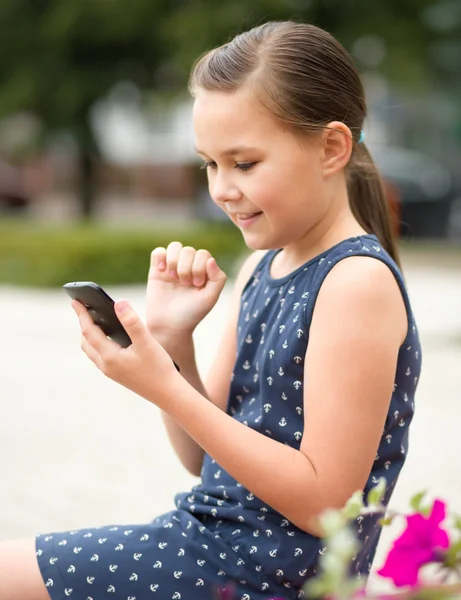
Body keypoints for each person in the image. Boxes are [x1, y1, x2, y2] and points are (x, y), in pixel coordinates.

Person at [0, 20, 421, 600]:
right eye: (209, 164)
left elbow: (327, 505)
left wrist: (161, 388)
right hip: (210, 543)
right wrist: (173, 342)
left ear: (331, 148)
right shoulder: (263, 267)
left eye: (244, 163)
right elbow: (202, 460)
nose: (221, 189)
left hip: (262, 575)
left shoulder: (355, 283)